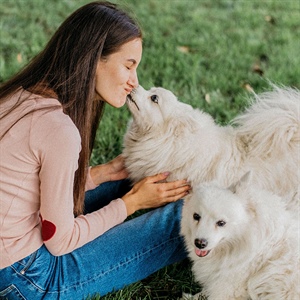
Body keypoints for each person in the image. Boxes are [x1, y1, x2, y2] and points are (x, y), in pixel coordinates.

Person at [0, 1, 191, 299]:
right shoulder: (58, 129)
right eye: (128, 65)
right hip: (25, 277)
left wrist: (101, 175)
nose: (134, 81)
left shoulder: (18, 94)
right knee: (183, 216)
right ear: (93, 59)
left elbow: (24, 187)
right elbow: (60, 241)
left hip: (10, 254)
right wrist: (129, 205)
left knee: (129, 177)